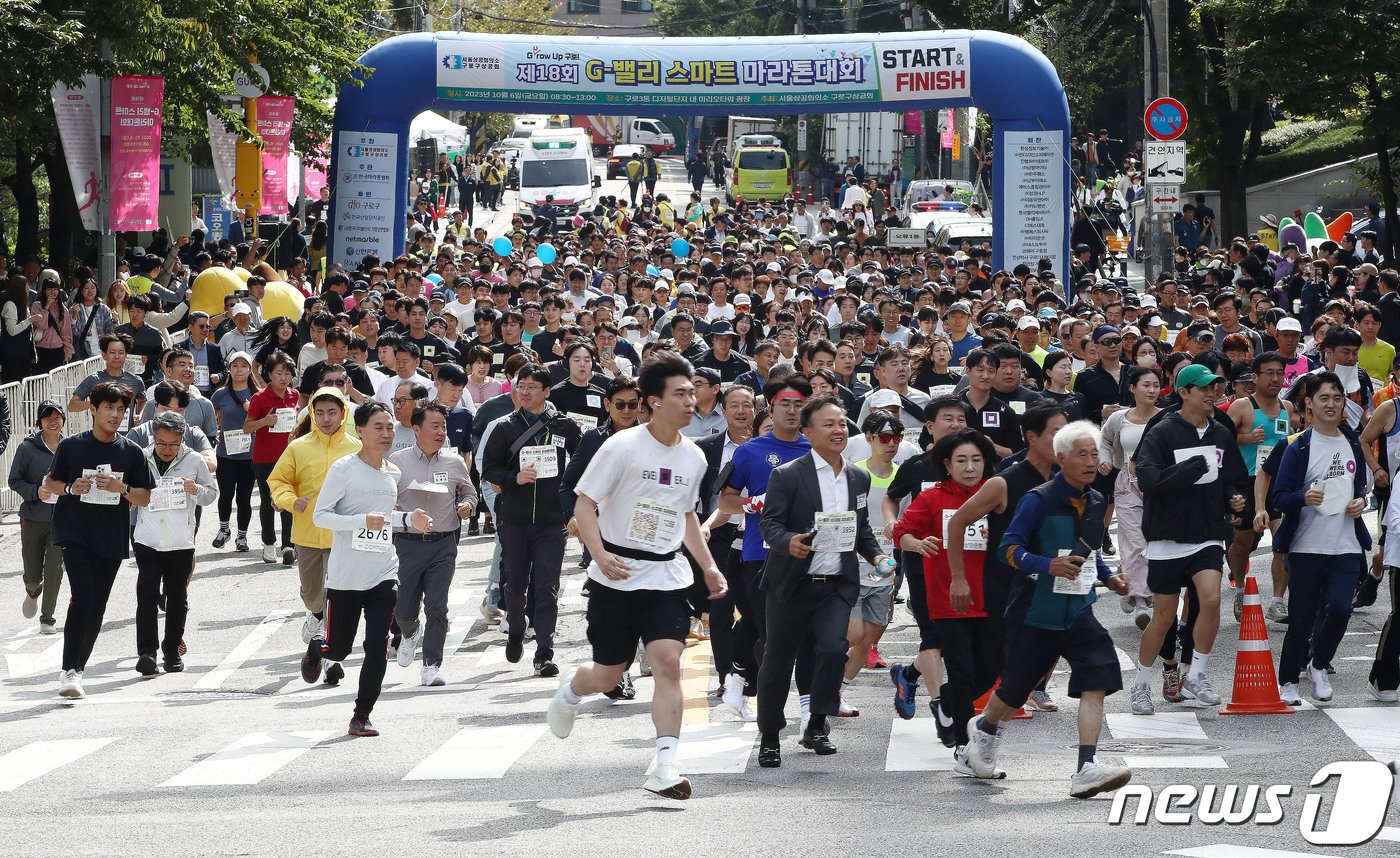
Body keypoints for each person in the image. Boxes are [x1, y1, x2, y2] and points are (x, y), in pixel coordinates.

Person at [546, 353, 727, 800]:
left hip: (667, 574)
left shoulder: (694, 457)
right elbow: (584, 502)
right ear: (654, 401)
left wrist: (708, 566)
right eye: (680, 394)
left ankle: (665, 766)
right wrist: (600, 554)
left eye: (692, 392)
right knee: (610, 673)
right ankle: (571, 691)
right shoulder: (621, 446)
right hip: (617, 574)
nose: (690, 400)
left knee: (668, 662)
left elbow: (686, 514)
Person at [964, 420, 1132, 798]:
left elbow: (1085, 550)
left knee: (1098, 677)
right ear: (1061, 459)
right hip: (1035, 611)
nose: (1091, 461)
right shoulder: (1037, 500)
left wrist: (1108, 578)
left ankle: (1086, 767)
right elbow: (1007, 549)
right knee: (1015, 689)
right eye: (1082, 454)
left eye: (1095, 453)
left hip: (1077, 609)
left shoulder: (1096, 500)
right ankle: (986, 730)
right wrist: (1046, 565)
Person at [755, 394, 890, 767]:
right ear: (809, 432)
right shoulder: (787, 474)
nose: (838, 430)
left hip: (836, 585)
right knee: (777, 663)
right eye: (829, 424)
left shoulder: (858, 476)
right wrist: (789, 543)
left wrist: (876, 555)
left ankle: (817, 724)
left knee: (832, 650)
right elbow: (770, 523)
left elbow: (860, 529)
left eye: (842, 423)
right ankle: (770, 736)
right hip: (791, 585)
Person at [305, 401, 432, 737]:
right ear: (359, 431)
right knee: (340, 649)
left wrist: (409, 519)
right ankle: (320, 647)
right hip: (346, 575)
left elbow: (384, 519)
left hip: (383, 571)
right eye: (378, 426)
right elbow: (321, 516)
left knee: (377, 643)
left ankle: (361, 715)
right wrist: (362, 520)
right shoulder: (343, 469)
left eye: (390, 427)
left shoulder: (392, 472)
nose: (386, 433)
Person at [1131, 364, 1250, 714]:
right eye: (1203, 388)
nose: (1211, 393)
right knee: (1164, 617)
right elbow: (1147, 479)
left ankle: (1196, 673)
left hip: (1208, 533)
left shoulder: (1221, 433)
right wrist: (1188, 470)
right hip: (1167, 535)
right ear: (1184, 393)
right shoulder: (1163, 431)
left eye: (1215, 387)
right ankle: (1140, 684)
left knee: (1211, 600)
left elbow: (1234, 478)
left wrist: (1235, 498)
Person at [893, 428, 1000, 762]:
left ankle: (949, 700)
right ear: (947, 465)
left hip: (992, 598)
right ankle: (964, 748)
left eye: (977, 460)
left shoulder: (996, 494)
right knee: (963, 672)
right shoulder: (932, 498)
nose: (970, 468)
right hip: (949, 599)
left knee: (993, 668)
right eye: (962, 461)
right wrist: (917, 544)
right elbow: (900, 532)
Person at [44, 382, 156, 699]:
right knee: (83, 595)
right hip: (74, 532)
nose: (115, 414)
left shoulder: (131, 452)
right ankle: (69, 672)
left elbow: (145, 497)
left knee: (96, 607)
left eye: (121, 409)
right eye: (108, 407)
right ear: (93, 410)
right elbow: (51, 483)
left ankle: (77, 670)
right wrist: (70, 488)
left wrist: (120, 490)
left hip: (110, 535)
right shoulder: (71, 447)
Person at [718, 375, 813, 721]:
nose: (791, 410)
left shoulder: (816, 447)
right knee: (773, 637)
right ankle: (762, 700)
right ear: (771, 407)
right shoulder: (749, 451)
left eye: (798, 404)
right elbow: (724, 499)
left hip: (813, 555)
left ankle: (808, 709)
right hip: (762, 556)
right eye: (784, 404)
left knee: (812, 636)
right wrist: (749, 504)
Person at [1271, 372, 1370, 704]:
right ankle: (1288, 682)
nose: (1332, 404)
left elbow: (1359, 490)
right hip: (1306, 546)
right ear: (1309, 404)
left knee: (1341, 609)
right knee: (1301, 618)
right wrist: (1303, 497)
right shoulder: (1298, 446)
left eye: (1337, 398)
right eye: (1324, 398)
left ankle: (1318, 664)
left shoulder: (1353, 442)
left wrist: (1360, 502)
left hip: (1346, 546)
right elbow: (1279, 497)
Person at [480, 364, 583, 675]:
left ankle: (544, 653)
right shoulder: (504, 427)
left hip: (553, 522)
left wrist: (574, 506)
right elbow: (488, 470)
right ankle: (515, 629)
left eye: (531, 387)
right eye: (520, 386)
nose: (524, 392)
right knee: (514, 585)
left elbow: (581, 466)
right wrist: (515, 478)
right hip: (514, 519)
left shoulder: (566, 426)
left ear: (547, 392)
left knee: (548, 586)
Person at [389, 402, 477, 687]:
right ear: (416, 429)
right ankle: (409, 631)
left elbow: (469, 493)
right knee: (404, 607)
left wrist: (466, 506)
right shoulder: (397, 462)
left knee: (437, 607)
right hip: (407, 542)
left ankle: (431, 666)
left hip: (443, 541)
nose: (441, 432)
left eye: (443, 426)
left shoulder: (454, 462)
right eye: (434, 426)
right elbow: (384, 495)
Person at [270, 386, 362, 649]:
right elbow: (278, 481)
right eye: (319, 412)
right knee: (312, 593)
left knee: (338, 591)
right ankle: (316, 614)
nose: (326, 419)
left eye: (332, 412)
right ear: (311, 413)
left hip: (343, 534)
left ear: (343, 413)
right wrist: (290, 501)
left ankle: (332, 643)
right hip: (307, 531)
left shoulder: (357, 448)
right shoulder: (298, 447)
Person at [131, 411, 218, 676]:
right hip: (147, 539)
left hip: (181, 541)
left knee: (177, 598)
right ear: (153, 438)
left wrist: (196, 490)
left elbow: (211, 493)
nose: (167, 449)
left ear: (182, 439)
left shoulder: (194, 460)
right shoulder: (141, 457)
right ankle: (147, 652)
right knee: (146, 595)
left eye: (173, 444)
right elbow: (130, 492)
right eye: (161, 443)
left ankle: (171, 652)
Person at [837, 412, 904, 716]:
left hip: (886, 570)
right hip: (852, 567)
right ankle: (822, 682)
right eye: (885, 438)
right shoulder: (854, 473)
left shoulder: (903, 475)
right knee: (853, 635)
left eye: (896, 438)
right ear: (869, 439)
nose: (891, 444)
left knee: (867, 642)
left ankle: (837, 691)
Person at [1098, 366, 1162, 627]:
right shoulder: (1119, 418)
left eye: (1156, 385)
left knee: (1155, 540)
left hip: (1160, 484)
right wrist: (1104, 461)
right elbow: (1104, 440)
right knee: (1135, 541)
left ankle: (1130, 577)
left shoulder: (1167, 417)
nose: (1152, 390)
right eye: (1146, 385)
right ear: (1133, 388)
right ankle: (1141, 599)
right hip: (1127, 483)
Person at [10, 399, 66, 634]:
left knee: (54, 567)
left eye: (57, 417)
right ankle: (32, 591)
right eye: (47, 418)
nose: (53, 422)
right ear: (40, 422)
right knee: (34, 575)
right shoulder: (27, 448)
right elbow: (14, 480)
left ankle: (48, 618)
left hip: (63, 519)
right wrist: (36, 492)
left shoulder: (72, 447)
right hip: (33, 517)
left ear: (63, 420)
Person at [244, 350, 300, 564]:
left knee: (288, 499)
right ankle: (269, 543)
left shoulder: (294, 395)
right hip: (264, 457)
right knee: (268, 501)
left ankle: (288, 545)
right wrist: (265, 422)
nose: (284, 377)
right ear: (269, 374)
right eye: (279, 373)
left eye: (287, 373)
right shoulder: (259, 397)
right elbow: (247, 427)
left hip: (289, 456)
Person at [209, 352, 259, 552]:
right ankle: (223, 529)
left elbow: (267, 422)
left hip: (250, 454)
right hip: (226, 454)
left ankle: (242, 536)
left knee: (244, 498)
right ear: (229, 369)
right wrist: (214, 434)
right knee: (226, 493)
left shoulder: (257, 395)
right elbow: (209, 415)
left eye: (243, 366)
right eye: (235, 366)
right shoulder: (220, 394)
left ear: (249, 370)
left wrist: (253, 411)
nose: (239, 369)